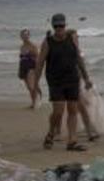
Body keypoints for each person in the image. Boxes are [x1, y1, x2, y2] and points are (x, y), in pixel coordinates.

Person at [34, 13, 93, 151]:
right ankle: (50, 133)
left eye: (61, 25)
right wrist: (36, 83)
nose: (59, 28)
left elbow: (79, 59)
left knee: (73, 110)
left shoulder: (72, 38)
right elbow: (40, 63)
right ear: (53, 27)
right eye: (56, 26)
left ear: (65, 25)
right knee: (59, 111)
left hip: (72, 78)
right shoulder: (48, 42)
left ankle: (72, 141)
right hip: (55, 81)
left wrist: (86, 78)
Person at [18, 29, 43, 108]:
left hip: (31, 67)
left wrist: (37, 68)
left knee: (31, 86)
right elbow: (21, 59)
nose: (25, 36)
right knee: (29, 87)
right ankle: (33, 102)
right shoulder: (22, 47)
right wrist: (19, 70)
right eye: (23, 35)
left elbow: (37, 57)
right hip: (23, 67)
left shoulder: (33, 46)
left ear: (29, 36)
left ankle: (37, 101)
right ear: (21, 36)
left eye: (26, 35)